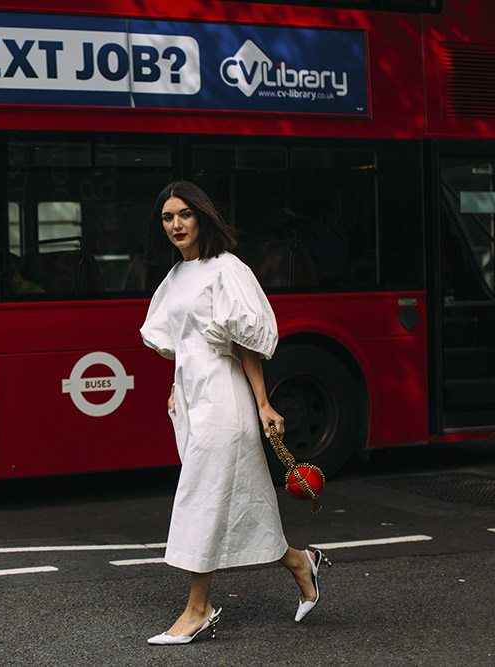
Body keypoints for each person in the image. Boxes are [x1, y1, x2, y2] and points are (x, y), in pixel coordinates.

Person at [139, 181, 331, 645]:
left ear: (202, 216)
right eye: (168, 217)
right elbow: (184, 341)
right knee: (233, 499)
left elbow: (243, 343)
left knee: (200, 499)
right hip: (191, 398)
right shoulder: (176, 277)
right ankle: (300, 562)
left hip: (224, 399)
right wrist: (173, 384)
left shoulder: (226, 269)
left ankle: (198, 610)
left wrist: (263, 403)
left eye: (184, 214)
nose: (176, 225)